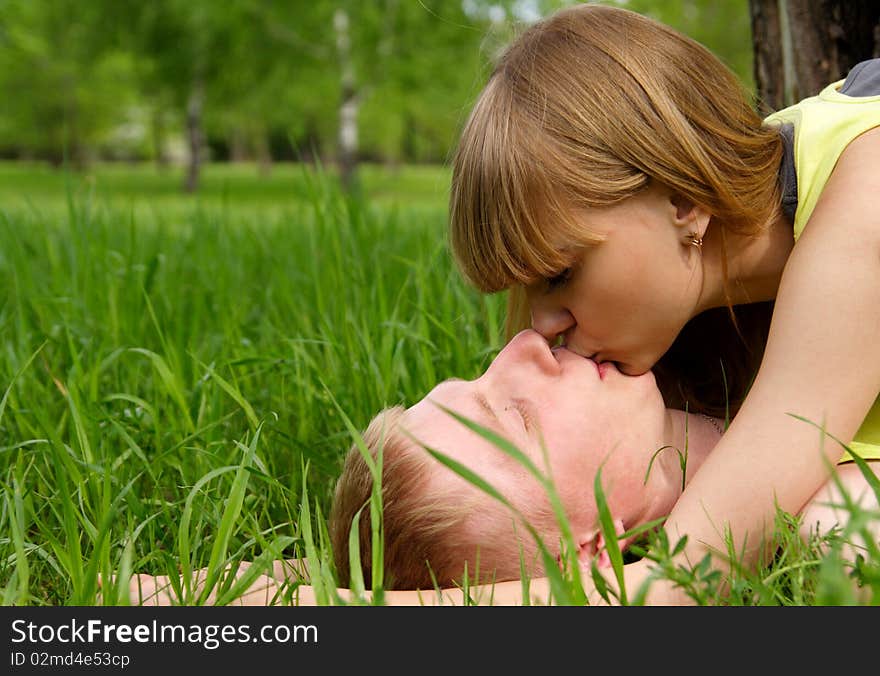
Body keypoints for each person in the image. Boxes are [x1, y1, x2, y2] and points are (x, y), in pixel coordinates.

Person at [444, 2, 880, 604]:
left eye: (561, 272)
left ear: (681, 200)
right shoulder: (717, 277)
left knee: (845, 534)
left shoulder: (867, 192)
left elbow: (680, 585)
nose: (537, 332)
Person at [126, 330, 879, 605]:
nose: (522, 348)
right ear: (592, 553)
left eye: (476, 377)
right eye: (514, 416)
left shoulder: (689, 320)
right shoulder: (834, 519)